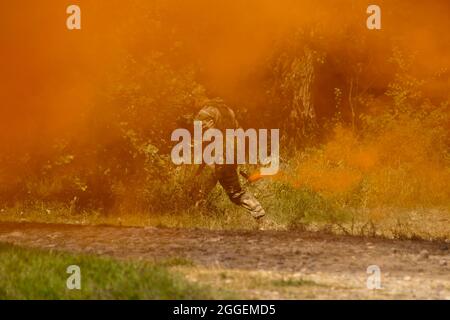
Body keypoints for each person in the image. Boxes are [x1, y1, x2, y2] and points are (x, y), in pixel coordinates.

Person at [180, 98, 266, 221]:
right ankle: (259, 213)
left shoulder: (203, 114)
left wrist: (199, 165)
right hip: (230, 155)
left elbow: (204, 141)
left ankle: (194, 222)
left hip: (216, 158)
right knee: (236, 193)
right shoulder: (228, 111)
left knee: (198, 192)